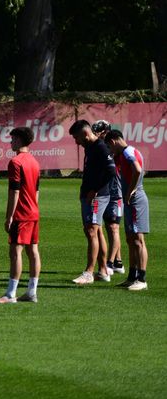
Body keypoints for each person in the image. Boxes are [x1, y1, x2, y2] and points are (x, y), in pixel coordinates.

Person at [0, 126, 41, 304]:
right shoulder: (34, 161)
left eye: (12, 139)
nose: (11, 142)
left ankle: (10, 294)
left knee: (15, 252)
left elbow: (15, 192)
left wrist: (9, 215)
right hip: (34, 211)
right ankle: (31, 292)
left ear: (19, 140)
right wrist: (34, 207)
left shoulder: (16, 162)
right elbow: (36, 190)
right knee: (33, 250)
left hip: (22, 213)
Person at [68, 120, 116, 284]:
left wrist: (95, 189)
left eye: (76, 138)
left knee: (91, 231)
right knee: (97, 231)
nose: (76, 142)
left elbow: (111, 170)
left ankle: (89, 272)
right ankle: (102, 271)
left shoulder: (100, 147)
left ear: (85, 134)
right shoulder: (89, 147)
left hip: (97, 197)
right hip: (90, 195)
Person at [105, 130, 150, 290]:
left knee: (138, 240)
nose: (110, 150)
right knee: (130, 240)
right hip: (130, 201)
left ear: (115, 140)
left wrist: (131, 190)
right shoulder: (123, 154)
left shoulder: (129, 151)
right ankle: (132, 277)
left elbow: (138, 170)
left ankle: (142, 279)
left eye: (110, 146)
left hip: (136, 200)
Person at [92, 120, 124, 274]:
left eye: (100, 132)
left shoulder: (112, 147)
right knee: (109, 227)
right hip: (106, 191)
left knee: (113, 227)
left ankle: (110, 263)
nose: (97, 134)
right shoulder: (101, 147)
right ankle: (118, 261)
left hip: (116, 192)